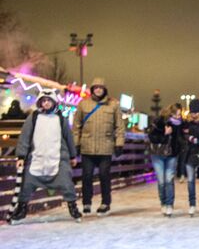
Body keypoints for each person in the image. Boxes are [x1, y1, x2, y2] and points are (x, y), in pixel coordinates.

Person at [8, 89, 81, 224]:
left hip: (58, 159)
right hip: (37, 158)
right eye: (44, 101)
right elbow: (25, 137)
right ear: (40, 102)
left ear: (54, 102)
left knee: (66, 183)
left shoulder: (60, 118)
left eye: (49, 101)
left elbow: (68, 137)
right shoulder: (34, 117)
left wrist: (72, 156)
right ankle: (22, 209)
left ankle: (73, 208)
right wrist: (21, 156)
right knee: (27, 184)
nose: (46, 103)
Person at [72, 81, 125, 216]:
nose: (98, 90)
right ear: (92, 89)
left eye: (101, 88)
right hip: (87, 147)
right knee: (87, 176)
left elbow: (119, 126)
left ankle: (105, 203)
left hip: (105, 146)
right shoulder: (83, 104)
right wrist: (76, 144)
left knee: (104, 175)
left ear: (105, 89)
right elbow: (76, 125)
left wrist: (119, 143)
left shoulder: (113, 105)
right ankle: (86, 203)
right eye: (96, 88)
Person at [148, 104, 183, 216]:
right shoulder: (159, 122)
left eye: (179, 114)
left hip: (172, 155)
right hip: (158, 155)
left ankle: (169, 204)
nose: (179, 116)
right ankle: (163, 203)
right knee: (161, 181)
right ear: (171, 113)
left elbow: (181, 140)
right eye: (177, 114)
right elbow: (151, 136)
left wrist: (181, 147)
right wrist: (165, 134)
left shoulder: (180, 124)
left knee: (169, 180)